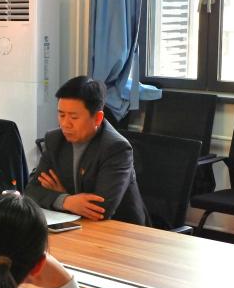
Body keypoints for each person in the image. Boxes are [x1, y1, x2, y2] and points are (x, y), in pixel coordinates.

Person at [24, 76, 147, 224]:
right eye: (61, 115)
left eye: (74, 117)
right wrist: (66, 200)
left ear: (97, 118)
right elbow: (31, 190)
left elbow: (100, 209)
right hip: (75, 225)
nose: (65, 124)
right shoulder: (54, 140)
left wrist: (61, 195)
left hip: (120, 229)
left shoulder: (116, 148)